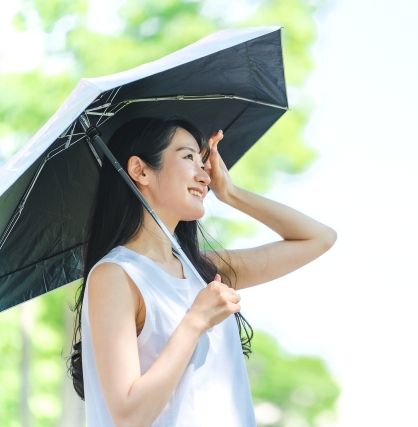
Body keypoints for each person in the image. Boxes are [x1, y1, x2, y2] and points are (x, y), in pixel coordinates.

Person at [68, 117, 337, 426]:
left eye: (202, 159)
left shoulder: (202, 270)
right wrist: (195, 321)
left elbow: (318, 238)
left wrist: (232, 193)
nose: (205, 174)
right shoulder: (115, 276)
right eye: (188, 157)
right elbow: (129, 415)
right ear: (141, 171)